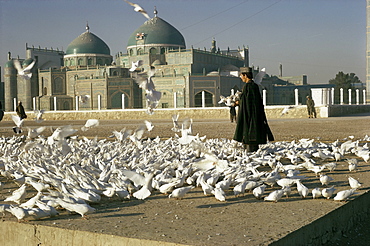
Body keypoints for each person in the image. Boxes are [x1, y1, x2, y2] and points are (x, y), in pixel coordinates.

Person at [233, 67, 274, 152]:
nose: (241, 77)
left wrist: (239, 102)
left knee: (250, 140)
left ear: (245, 75)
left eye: (241, 75)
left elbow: (249, 104)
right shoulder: (253, 86)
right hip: (253, 118)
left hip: (250, 119)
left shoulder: (249, 87)